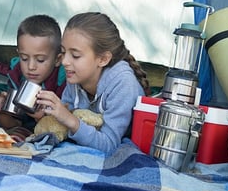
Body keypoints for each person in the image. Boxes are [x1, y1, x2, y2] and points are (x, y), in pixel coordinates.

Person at [35, 12, 151, 155]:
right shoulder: (75, 75)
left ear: (103, 59)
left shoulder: (123, 85)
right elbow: (62, 126)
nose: (65, 61)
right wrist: (46, 115)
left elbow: (108, 144)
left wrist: (69, 119)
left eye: (75, 55)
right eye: (64, 52)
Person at [0, 14, 65, 137]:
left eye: (40, 60)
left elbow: (64, 129)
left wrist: (43, 118)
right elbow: (12, 126)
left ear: (58, 59)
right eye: (24, 58)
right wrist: (3, 110)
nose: (31, 67)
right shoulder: (17, 76)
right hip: (26, 130)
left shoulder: (63, 83)